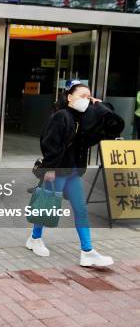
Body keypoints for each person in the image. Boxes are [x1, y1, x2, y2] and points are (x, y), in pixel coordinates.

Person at [26, 81, 114, 267]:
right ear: (69, 97)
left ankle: (87, 251)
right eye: (82, 95)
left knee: (80, 209)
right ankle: (34, 238)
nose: (86, 99)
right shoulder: (61, 116)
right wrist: (49, 168)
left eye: (89, 97)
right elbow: (49, 143)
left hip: (73, 172)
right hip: (58, 171)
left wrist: (100, 108)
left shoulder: (83, 119)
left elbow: (90, 140)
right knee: (48, 206)